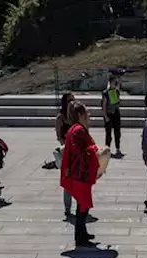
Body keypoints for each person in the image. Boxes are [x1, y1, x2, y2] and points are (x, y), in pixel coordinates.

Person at [61, 104, 102, 247]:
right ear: (80, 115)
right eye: (87, 112)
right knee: (83, 206)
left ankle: (82, 233)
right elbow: (81, 152)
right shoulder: (78, 130)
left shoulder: (75, 129)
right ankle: (80, 238)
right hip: (80, 174)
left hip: (78, 174)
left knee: (82, 205)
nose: (89, 115)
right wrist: (95, 150)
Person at [55, 93, 77, 218]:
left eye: (72, 100)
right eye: (69, 100)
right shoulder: (61, 117)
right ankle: (67, 208)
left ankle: (81, 205)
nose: (71, 102)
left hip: (77, 151)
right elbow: (59, 135)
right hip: (67, 152)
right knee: (67, 181)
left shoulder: (76, 116)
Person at [102, 72, 123, 156]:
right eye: (114, 82)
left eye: (116, 82)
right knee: (108, 133)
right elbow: (104, 105)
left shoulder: (116, 92)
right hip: (109, 114)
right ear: (110, 82)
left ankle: (118, 149)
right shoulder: (106, 93)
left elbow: (118, 102)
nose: (115, 84)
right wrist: (105, 116)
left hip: (116, 113)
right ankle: (107, 150)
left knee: (117, 132)